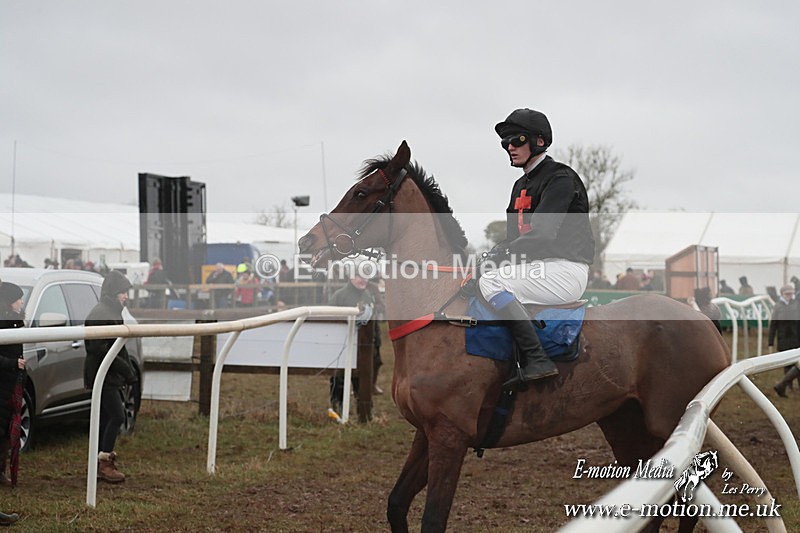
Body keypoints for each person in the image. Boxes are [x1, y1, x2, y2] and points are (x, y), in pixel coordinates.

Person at [479, 108, 595, 389]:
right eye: (505, 142)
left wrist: (501, 257)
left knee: (492, 281)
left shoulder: (561, 178)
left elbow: (543, 233)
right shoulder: (520, 185)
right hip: (538, 269)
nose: (509, 147)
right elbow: (512, 240)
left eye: (516, 140)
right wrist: (491, 257)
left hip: (565, 270)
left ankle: (537, 359)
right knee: (482, 278)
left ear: (539, 141)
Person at [84, 271, 139, 483]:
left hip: (107, 374)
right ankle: (104, 463)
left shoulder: (109, 311)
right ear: (114, 292)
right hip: (103, 375)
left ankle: (98, 462)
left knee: (107, 418)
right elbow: (99, 348)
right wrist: (126, 369)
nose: (126, 296)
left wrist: (126, 370)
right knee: (116, 416)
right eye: (123, 292)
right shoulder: (102, 313)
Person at [328, 269, 381, 412]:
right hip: (342, 345)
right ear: (350, 277)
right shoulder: (339, 296)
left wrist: (376, 341)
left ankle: (364, 410)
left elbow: (373, 321)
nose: (363, 280)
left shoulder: (368, 295)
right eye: (359, 276)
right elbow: (330, 320)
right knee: (339, 377)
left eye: (365, 276)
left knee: (362, 378)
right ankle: (337, 407)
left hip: (363, 346)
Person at [0, 283, 27, 498]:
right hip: (3, 384)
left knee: (6, 431)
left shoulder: (15, 322)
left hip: (10, 384)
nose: (21, 302)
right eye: (18, 299)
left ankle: (1, 470)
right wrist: (12, 364)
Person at [770, 284, 800, 397]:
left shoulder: (796, 304)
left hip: (795, 338)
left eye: (791, 293)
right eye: (787, 293)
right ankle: (785, 385)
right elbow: (773, 324)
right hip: (783, 338)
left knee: (796, 362)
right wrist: (770, 342)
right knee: (788, 364)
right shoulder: (778, 306)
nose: (789, 295)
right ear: (782, 294)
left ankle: (784, 385)